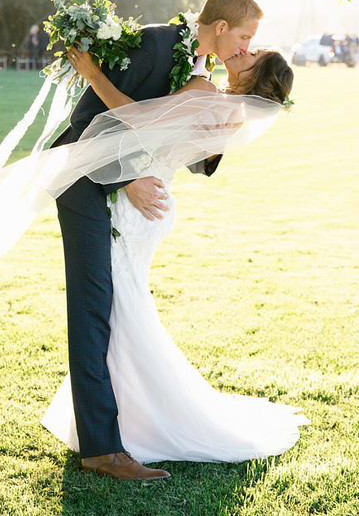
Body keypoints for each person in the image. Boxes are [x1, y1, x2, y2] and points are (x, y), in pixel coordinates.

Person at [42, 45, 308, 469]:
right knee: (121, 308)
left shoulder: (210, 97)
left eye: (253, 51)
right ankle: (111, 421)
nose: (245, 48)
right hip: (153, 203)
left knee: (118, 309)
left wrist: (93, 73)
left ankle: (127, 424)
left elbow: (133, 116)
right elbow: (185, 147)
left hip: (139, 203)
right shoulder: (229, 113)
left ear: (253, 74)